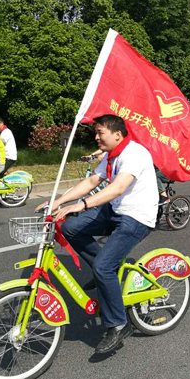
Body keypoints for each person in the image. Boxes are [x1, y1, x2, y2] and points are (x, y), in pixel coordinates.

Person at [36, 114, 158, 354]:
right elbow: (93, 180)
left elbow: (118, 187)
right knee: (71, 228)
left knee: (103, 267)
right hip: (114, 210)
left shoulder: (135, 153)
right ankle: (106, 269)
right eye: (96, 132)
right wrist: (58, 201)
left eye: (100, 132)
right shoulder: (113, 155)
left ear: (117, 135)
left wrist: (81, 205)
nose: (96, 137)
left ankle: (118, 324)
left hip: (136, 216)